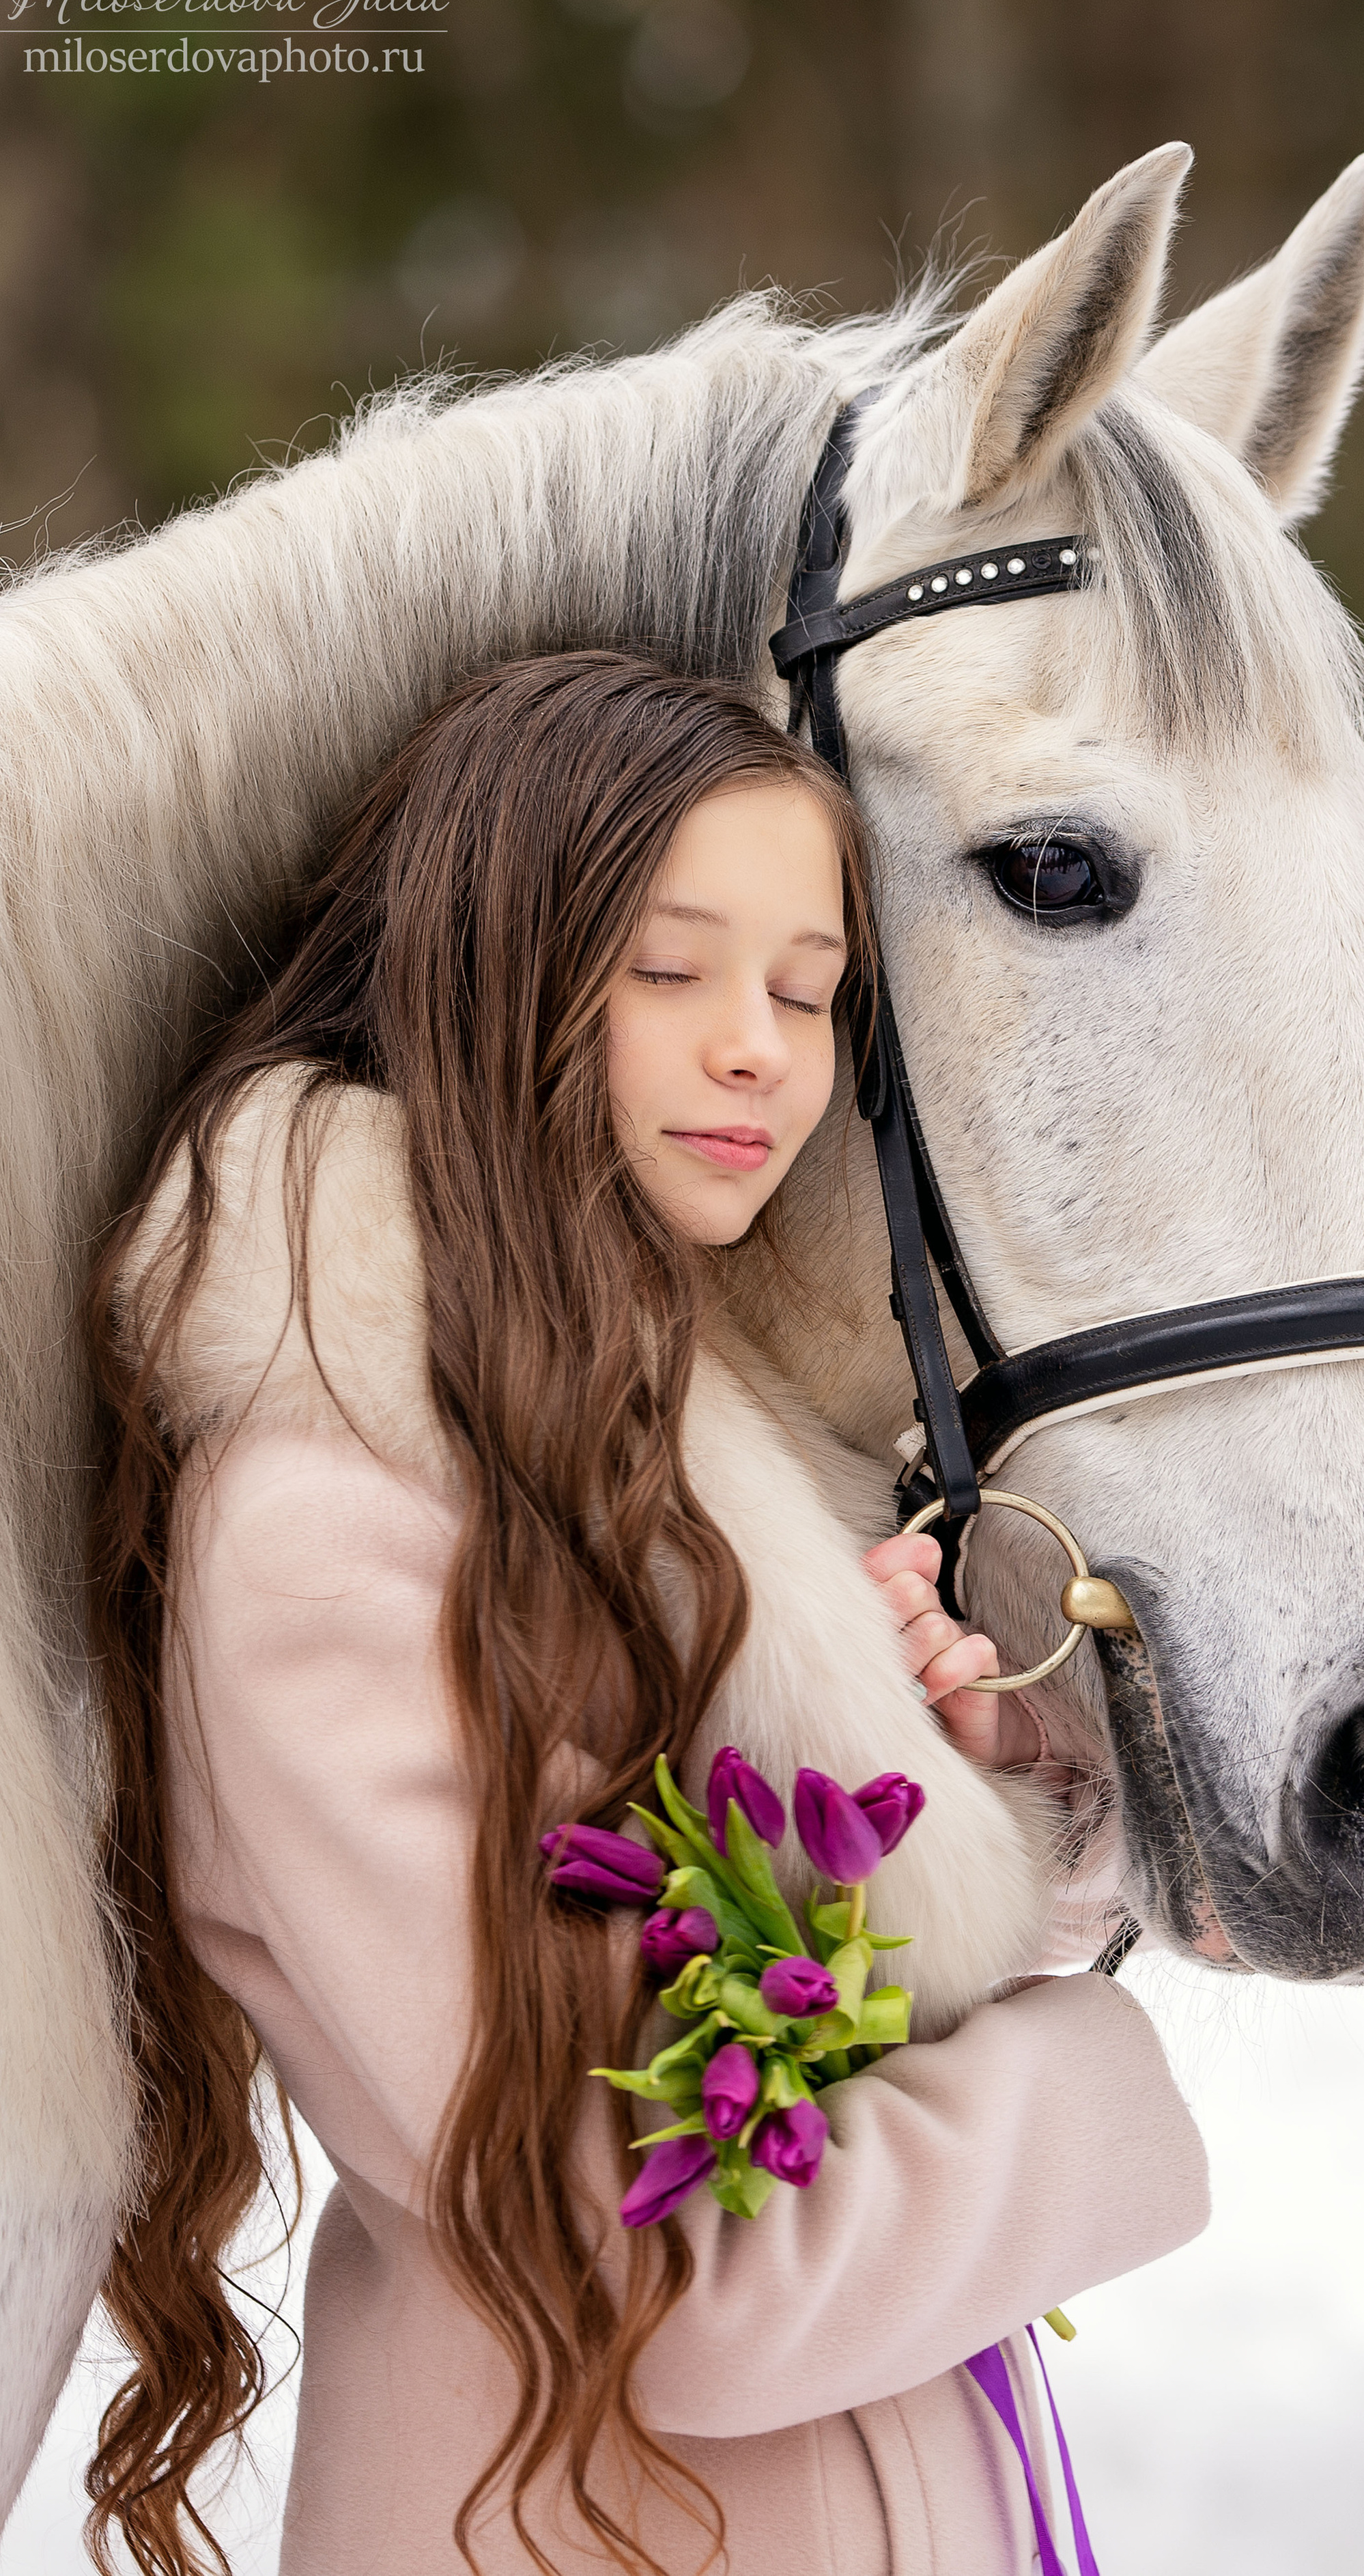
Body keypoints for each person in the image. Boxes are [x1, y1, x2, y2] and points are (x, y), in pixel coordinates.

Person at [85, 650, 1209, 2576]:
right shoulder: (331, 1536)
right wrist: (1095, 2080)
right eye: (672, 970)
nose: (760, 1047)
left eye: (807, 988)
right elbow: (673, 2274)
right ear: (492, 973)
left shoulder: (694, 1459)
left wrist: (960, 1806)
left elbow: (810, 2041)